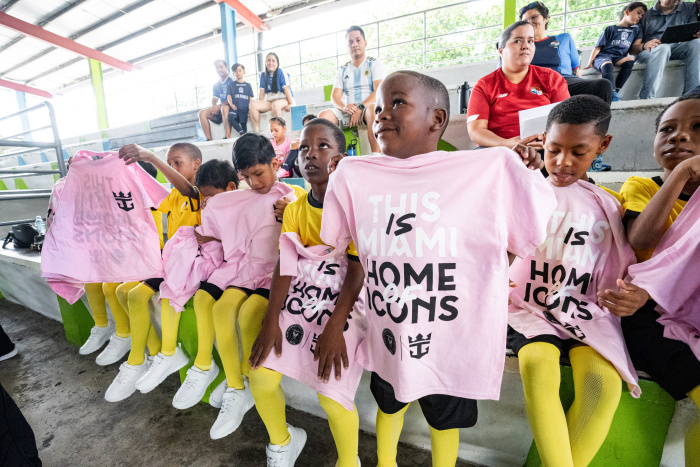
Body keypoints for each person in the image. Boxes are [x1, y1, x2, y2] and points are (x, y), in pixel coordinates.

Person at [318, 71, 557, 467]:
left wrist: (524, 172)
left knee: (445, 419)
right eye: (377, 107)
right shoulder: (357, 174)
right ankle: (386, 462)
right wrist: (344, 174)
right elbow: (343, 243)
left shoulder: (485, 170)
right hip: (391, 329)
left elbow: (521, 237)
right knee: (389, 401)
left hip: (452, 337)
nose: (381, 115)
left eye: (397, 103)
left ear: (437, 119)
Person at [508, 95, 649, 466]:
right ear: (542, 141)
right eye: (554, 150)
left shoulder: (609, 204)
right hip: (527, 308)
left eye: (578, 151)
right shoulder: (524, 192)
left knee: (603, 386)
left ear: (603, 146)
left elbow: (618, 264)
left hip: (584, 310)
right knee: (538, 368)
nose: (563, 162)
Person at [248, 119, 365, 467]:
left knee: (331, 395)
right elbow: (286, 265)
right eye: (303, 148)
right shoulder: (296, 208)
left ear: (340, 157)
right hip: (306, 287)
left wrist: (334, 327)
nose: (311, 154)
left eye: (323, 146)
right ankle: (283, 441)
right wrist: (272, 320)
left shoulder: (354, 207)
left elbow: (358, 270)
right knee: (259, 373)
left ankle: (349, 460)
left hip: (347, 296)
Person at [203, 134, 304, 440]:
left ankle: (248, 375)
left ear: (276, 163)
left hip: (276, 275)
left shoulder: (293, 194)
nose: (254, 183)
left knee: (248, 315)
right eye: (246, 177)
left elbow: (311, 228)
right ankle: (236, 385)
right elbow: (228, 220)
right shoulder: (244, 198)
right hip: (248, 271)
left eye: (258, 174)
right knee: (221, 308)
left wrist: (292, 212)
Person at [619, 92, 700, 466]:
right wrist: (682, 173)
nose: (679, 137)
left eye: (696, 129)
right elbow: (641, 241)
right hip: (647, 317)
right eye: (667, 129)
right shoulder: (643, 187)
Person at [131, 159, 239, 403]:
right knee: (170, 285)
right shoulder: (207, 205)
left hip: (231, 265)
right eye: (202, 196)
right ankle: (169, 353)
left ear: (231, 188)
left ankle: (223, 373)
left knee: (192, 291)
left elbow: (239, 243)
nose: (204, 202)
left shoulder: (239, 207)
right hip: (203, 254)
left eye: (208, 196)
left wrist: (212, 238)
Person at [101, 143, 202, 402]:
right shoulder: (171, 197)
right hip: (169, 260)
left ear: (196, 165)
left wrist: (153, 158)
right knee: (121, 290)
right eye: (169, 162)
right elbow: (139, 194)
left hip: (190, 264)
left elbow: (188, 189)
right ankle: (153, 352)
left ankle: (140, 359)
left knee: (135, 295)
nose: (171, 166)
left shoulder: (199, 193)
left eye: (176, 162)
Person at [467, 21, 569, 166]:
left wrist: (547, 142)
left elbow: (567, 123)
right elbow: (476, 132)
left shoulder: (552, 79)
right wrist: (509, 144)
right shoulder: (484, 86)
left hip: (545, 149)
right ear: (501, 50)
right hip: (498, 150)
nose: (525, 46)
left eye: (530, 41)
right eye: (517, 41)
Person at [520, 2, 614, 103]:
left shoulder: (564, 38)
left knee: (604, 86)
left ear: (546, 18)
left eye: (534, 17)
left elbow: (576, 72)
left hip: (565, 82)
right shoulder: (520, 46)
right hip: (536, 85)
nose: (530, 22)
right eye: (525, 21)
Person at [318, 25, 386, 155]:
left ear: (365, 43)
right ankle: (327, 161)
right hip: (349, 110)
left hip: (368, 107)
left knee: (371, 109)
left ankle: (377, 157)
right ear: (347, 46)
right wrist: (345, 107)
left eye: (358, 40)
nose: (354, 44)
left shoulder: (374, 63)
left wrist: (360, 108)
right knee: (323, 115)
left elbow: (379, 91)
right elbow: (335, 97)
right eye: (350, 42)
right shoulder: (342, 69)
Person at [629, 0, 700, 99]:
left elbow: (693, 31)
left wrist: (697, 34)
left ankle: (692, 96)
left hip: (678, 48)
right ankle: (647, 97)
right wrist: (644, 45)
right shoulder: (646, 16)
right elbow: (633, 49)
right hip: (651, 51)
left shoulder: (689, 7)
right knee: (663, 48)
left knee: (697, 43)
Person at [584, 2, 648, 101]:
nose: (640, 16)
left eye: (642, 15)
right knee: (607, 64)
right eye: (638, 13)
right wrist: (590, 63)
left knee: (630, 61)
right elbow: (597, 47)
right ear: (626, 12)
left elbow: (635, 46)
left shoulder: (636, 31)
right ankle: (611, 92)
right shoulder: (611, 29)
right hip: (603, 56)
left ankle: (615, 92)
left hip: (618, 57)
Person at [250, 53, 294, 135]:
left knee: (276, 105)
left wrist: (291, 103)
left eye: (273, 61)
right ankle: (257, 134)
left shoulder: (281, 72)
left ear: (277, 63)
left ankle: (279, 133)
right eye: (268, 60)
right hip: (271, 101)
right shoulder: (263, 75)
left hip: (283, 99)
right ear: (266, 62)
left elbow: (287, 89)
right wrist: (260, 105)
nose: (271, 63)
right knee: (253, 105)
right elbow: (262, 94)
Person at [198, 59, 233, 141]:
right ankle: (208, 139)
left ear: (226, 67)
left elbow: (235, 98)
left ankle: (227, 136)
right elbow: (214, 101)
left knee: (224, 107)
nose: (219, 69)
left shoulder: (232, 79)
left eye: (221, 67)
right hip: (221, 109)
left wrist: (219, 106)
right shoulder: (216, 85)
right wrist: (214, 108)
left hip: (231, 107)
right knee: (202, 112)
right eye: (217, 67)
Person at [279, 114, 317, 179]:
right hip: (303, 168)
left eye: (308, 125)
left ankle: (285, 169)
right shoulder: (305, 137)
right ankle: (285, 169)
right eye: (305, 126)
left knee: (296, 144)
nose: (306, 128)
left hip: (315, 166)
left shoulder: (319, 136)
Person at [226, 63, 255, 137]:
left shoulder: (248, 85)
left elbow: (250, 98)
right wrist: (231, 104)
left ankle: (244, 135)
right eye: (235, 71)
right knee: (230, 118)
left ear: (244, 72)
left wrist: (250, 108)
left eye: (240, 70)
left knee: (244, 125)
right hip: (235, 108)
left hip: (244, 109)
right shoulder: (231, 85)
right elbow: (228, 96)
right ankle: (242, 133)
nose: (238, 73)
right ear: (233, 73)